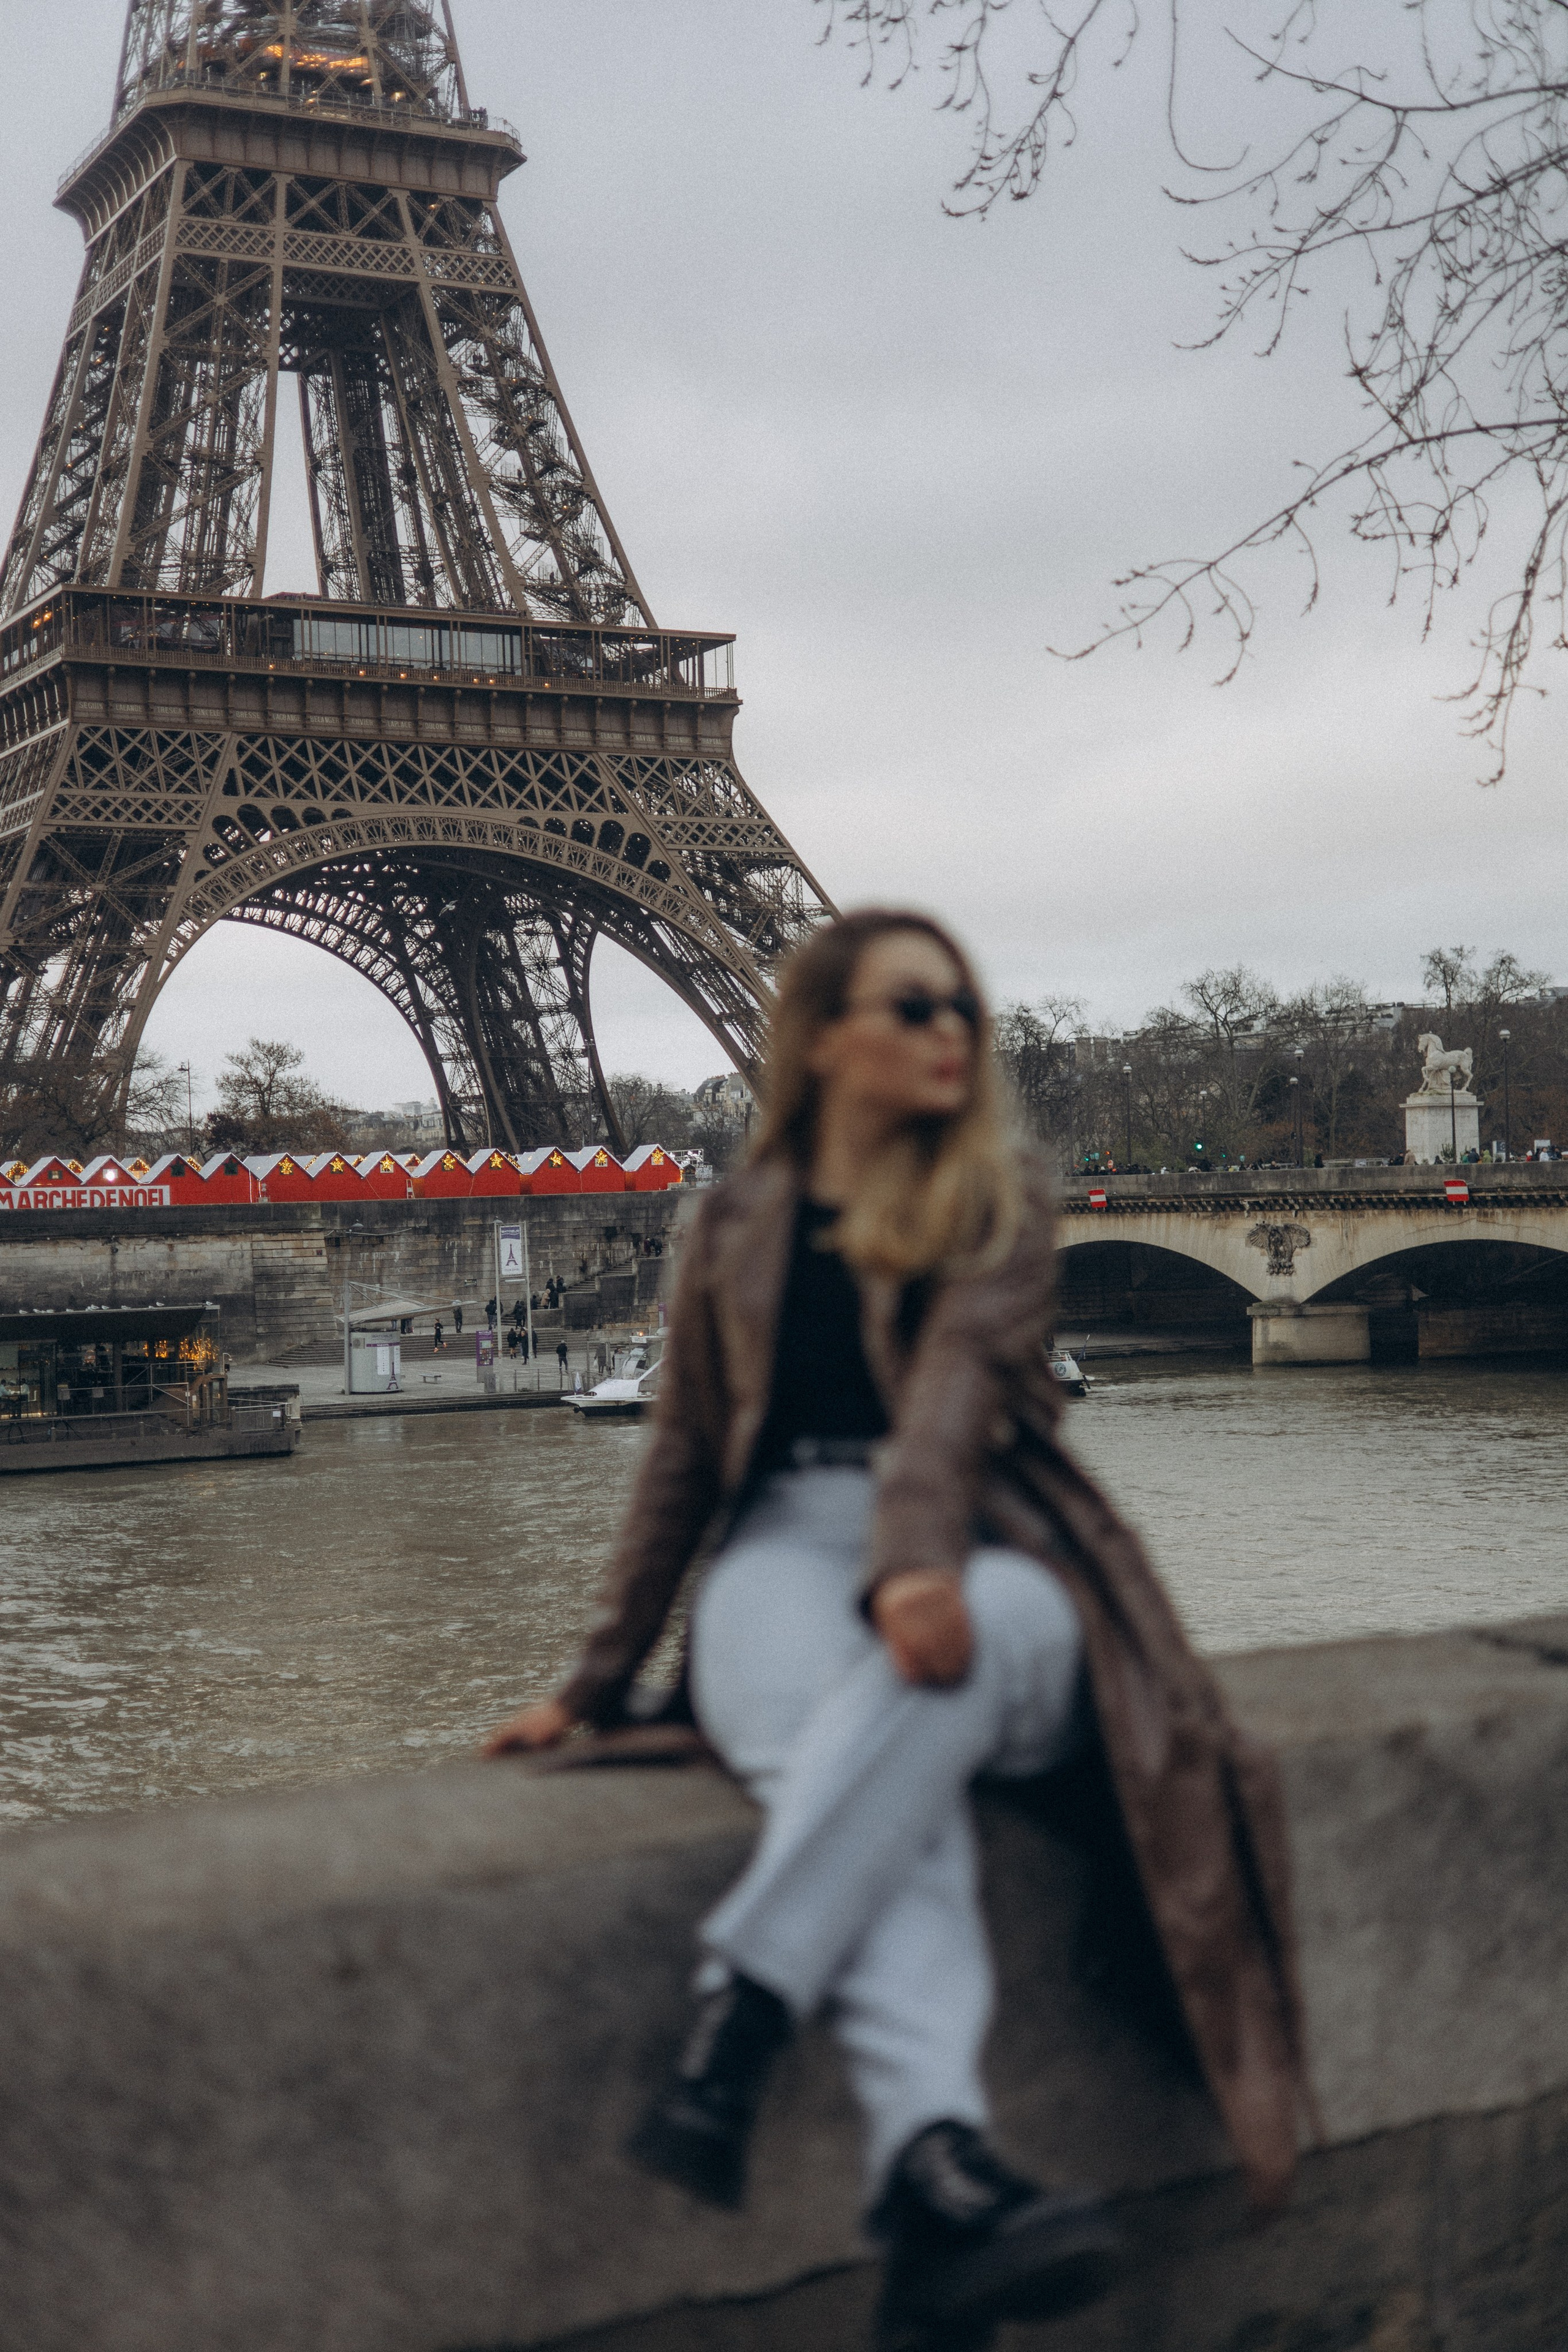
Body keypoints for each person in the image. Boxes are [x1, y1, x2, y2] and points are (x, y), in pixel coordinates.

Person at [484, 909, 1308, 2351]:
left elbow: (945, 1405)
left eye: (962, 1014)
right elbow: (679, 1458)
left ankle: (741, 2007)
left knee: (956, 1647)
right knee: (885, 1772)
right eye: (913, 1007)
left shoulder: (1000, 1198)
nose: (948, 1035)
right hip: (777, 1556)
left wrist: (915, 1572)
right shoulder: (731, 1219)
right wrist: (596, 1682)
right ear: (821, 1035)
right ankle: (934, 2171)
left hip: (994, 1549)